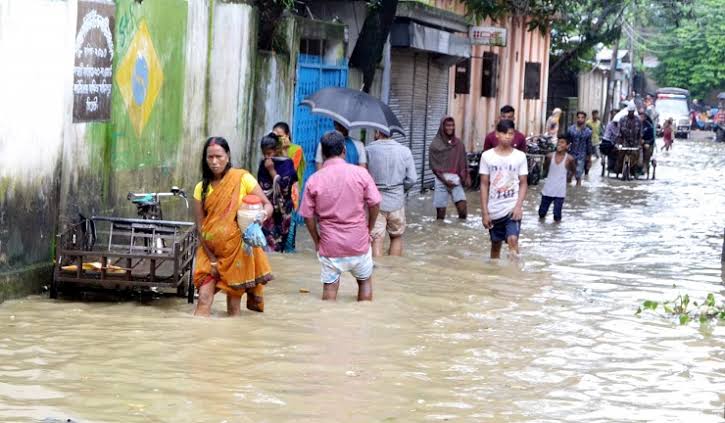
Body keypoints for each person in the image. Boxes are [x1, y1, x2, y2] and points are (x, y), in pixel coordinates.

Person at [192, 137, 275, 317]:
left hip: (237, 252)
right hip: (209, 253)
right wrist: (212, 258)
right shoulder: (201, 188)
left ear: (227, 156)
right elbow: (200, 227)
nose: (214, 162)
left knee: (233, 307)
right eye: (210, 157)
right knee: (204, 299)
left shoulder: (242, 178)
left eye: (219, 156)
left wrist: (262, 215)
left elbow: (268, 204)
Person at [300, 131, 381, 301]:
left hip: (330, 245)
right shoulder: (361, 174)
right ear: (344, 150)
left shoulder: (314, 180)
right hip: (359, 242)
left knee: (329, 289)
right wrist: (369, 229)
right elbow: (375, 203)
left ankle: (328, 325)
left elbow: (307, 216)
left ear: (322, 153)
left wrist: (317, 240)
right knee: (365, 282)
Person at [479, 120, 528, 260]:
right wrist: (484, 213)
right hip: (494, 209)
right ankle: (494, 275)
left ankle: (514, 276)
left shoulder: (520, 156)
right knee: (495, 246)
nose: (507, 136)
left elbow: (524, 183)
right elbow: (483, 185)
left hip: (512, 209)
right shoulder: (487, 156)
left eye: (511, 133)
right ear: (497, 134)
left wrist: (518, 206)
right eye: (504, 133)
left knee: (513, 240)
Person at [366, 130, 417, 257]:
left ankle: (379, 273)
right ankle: (394, 269)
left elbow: (363, 177)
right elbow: (412, 179)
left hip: (376, 202)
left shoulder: (368, 150)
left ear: (377, 132)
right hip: (397, 201)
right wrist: (400, 190)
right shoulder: (405, 151)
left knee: (377, 238)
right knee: (396, 236)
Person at [257, 133, 298, 253]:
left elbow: (285, 188)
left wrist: (272, 171)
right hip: (267, 210)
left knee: (281, 246)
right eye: (264, 154)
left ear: (277, 150)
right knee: (266, 245)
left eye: (269, 153)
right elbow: (261, 186)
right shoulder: (263, 164)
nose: (267, 157)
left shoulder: (287, 164)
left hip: (282, 212)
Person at [430, 116, 470, 220]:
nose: (450, 127)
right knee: (440, 216)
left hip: (456, 180)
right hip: (441, 180)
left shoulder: (459, 144)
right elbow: (434, 167)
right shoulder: (435, 144)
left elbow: (463, 161)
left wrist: (466, 176)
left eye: (452, 125)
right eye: (447, 125)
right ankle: (439, 234)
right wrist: (445, 181)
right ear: (442, 127)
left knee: (463, 211)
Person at [272, 122, 303, 252]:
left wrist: (284, 152)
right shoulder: (272, 150)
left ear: (287, 135)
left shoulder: (296, 150)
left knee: (289, 227)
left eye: (280, 136)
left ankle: (289, 251)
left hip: (291, 193)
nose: (278, 139)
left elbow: (290, 171)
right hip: (275, 193)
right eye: (275, 136)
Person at [538, 137, 576, 223]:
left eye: (562, 143)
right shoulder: (549, 156)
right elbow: (545, 169)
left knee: (557, 215)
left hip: (560, 191)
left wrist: (568, 178)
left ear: (567, 146)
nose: (559, 144)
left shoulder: (570, 159)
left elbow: (573, 171)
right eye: (558, 142)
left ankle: (555, 231)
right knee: (541, 213)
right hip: (548, 190)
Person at [566, 111, 593, 187]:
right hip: (571, 154)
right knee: (568, 174)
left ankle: (578, 190)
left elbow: (589, 145)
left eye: (582, 117)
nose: (580, 119)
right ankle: (569, 191)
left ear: (585, 119)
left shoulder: (588, 132)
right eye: (578, 117)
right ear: (576, 118)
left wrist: (589, 159)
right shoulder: (570, 130)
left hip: (582, 155)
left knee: (578, 175)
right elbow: (566, 142)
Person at [618, 102, 643, 172]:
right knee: (620, 155)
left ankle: (635, 170)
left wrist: (639, 142)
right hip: (624, 143)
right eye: (629, 112)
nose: (631, 113)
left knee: (637, 158)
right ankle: (619, 168)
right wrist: (619, 142)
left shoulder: (638, 120)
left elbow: (640, 134)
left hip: (635, 143)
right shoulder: (622, 120)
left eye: (632, 112)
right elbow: (619, 132)